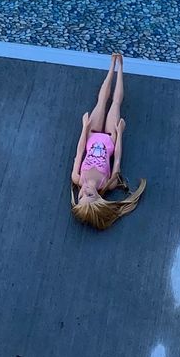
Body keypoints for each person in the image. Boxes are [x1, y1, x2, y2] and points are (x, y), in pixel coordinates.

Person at [69, 52, 146, 230]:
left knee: (101, 101)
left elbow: (80, 152)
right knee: (115, 104)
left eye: (81, 195)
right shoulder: (107, 183)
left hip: (92, 135)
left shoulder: (77, 177)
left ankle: (111, 67)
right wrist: (119, 134)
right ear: (98, 197)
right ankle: (120, 68)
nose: (84, 190)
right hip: (110, 139)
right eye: (89, 194)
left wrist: (84, 128)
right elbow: (117, 158)